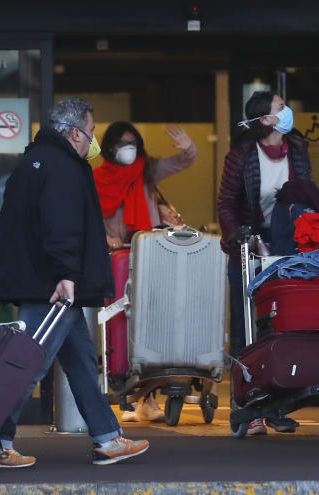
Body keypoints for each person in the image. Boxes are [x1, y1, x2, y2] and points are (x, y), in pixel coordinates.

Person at [0, 98, 149, 468]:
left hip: (43, 281)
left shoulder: (36, 160)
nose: (92, 139)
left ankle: (107, 438)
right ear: (75, 133)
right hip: (52, 286)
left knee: (82, 360)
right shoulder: (61, 165)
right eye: (90, 132)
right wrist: (67, 276)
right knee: (28, 364)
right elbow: (61, 227)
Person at [216, 91, 311, 436]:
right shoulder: (241, 156)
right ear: (267, 120)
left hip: (288, 244)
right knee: (247, 329)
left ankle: (278, 405)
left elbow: (306, 194)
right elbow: (226, 203)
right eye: (281, 107)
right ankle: (248, 408)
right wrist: (239, 236)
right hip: (248, 244)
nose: (288, 112)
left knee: (283, 325)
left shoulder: (297, 150)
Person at [94, 121, 197, 422]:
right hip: (117, 257)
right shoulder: (97, 179)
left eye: (133, 142)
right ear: (110, 147)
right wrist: (106, 239)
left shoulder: (147, 171)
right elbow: (90, 214)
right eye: (122, 143)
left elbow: (183, 161)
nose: (129, 148)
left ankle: (148, 397)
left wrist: (188, 146)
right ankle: (125, 388)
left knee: (153, 322)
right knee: (121, 323)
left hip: (150, 254)